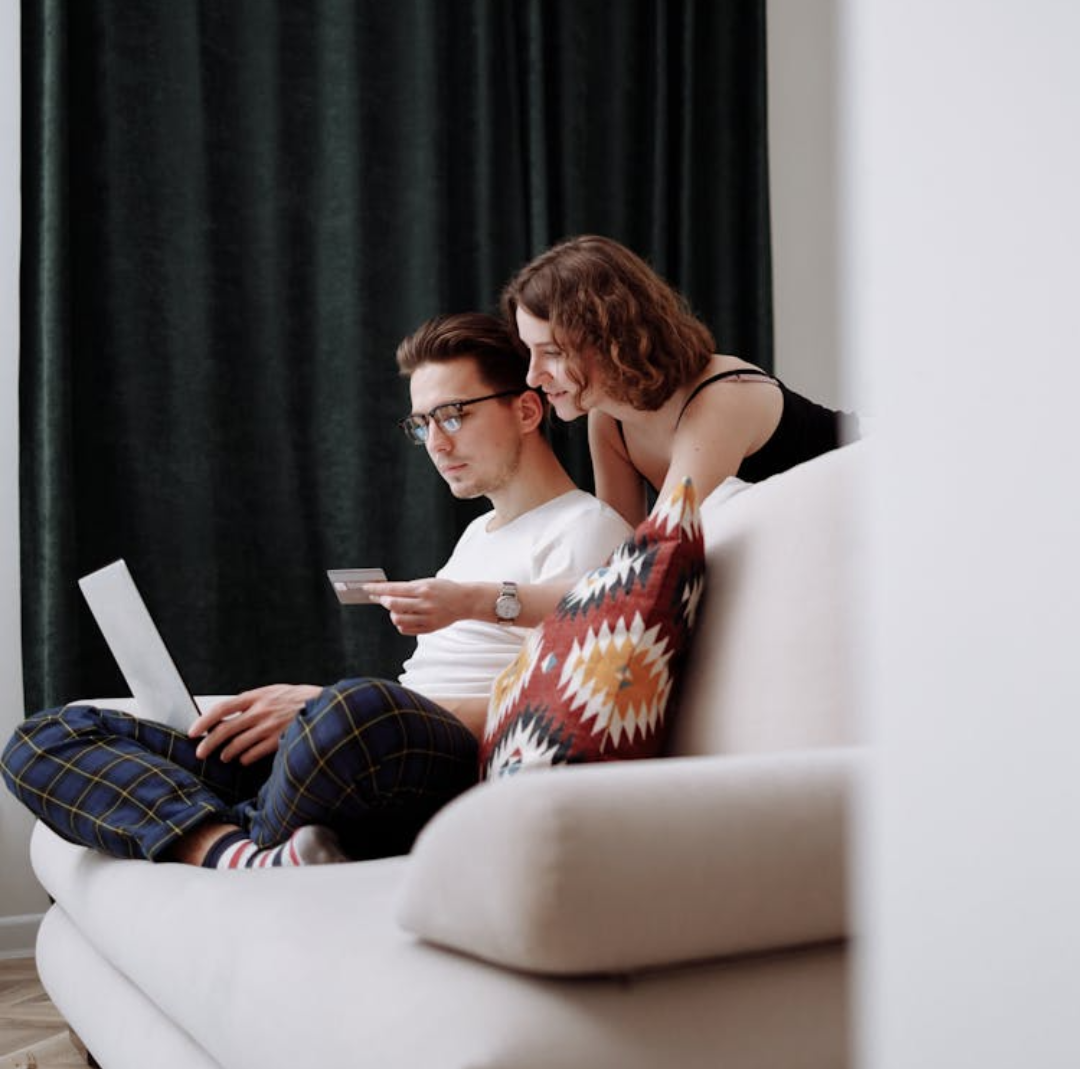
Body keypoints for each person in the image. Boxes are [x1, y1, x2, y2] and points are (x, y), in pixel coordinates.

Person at [1, 313, 631, 869]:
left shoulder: (589, 530)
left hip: (434, 760)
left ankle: (222, 823)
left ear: (525, 409)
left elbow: (552, 712)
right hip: (364, 756)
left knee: (356, 710)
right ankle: (233, 851)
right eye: (421, 424)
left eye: (453, 415)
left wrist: (318, 709)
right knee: (45, 736)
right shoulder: (476, 535)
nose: (436, 443)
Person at [501, 233, 861, 528]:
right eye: (530, 352)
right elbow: (618, 549)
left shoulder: (720, 397)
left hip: (889, 491)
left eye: (552, 352)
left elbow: (655, 552)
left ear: (610, 338)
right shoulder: (609, 419)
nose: (533, 376)